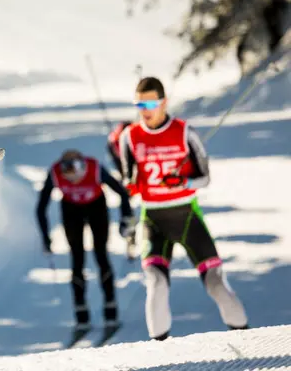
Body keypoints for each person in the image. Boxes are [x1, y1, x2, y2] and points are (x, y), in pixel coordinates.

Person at [118, 77, 248, 341]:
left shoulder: (184, 131)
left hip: (187, 215)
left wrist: (183, 182)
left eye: (150, 104)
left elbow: (205, 177)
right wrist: (130, 184)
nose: (145, 110)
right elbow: (128, 177)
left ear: (164, 102)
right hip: (152, 219)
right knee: (156, 283)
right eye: (139, 104)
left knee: (215, 283)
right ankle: (161, 349)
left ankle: (246, 337)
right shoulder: (129, 136)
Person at [36, 150, 135, 329]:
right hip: (71, 209)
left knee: (101, 255)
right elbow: (41, 207)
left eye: (76, 173)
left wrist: (126, 219)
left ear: (83, 166)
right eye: (68, 176)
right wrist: (45, 237)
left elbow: (122, 192)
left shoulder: (95, 168)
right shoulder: (55, 173)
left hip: (96, 207)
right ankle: (81, 313)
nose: (73, 179)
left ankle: (110, 308)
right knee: (77, 258)